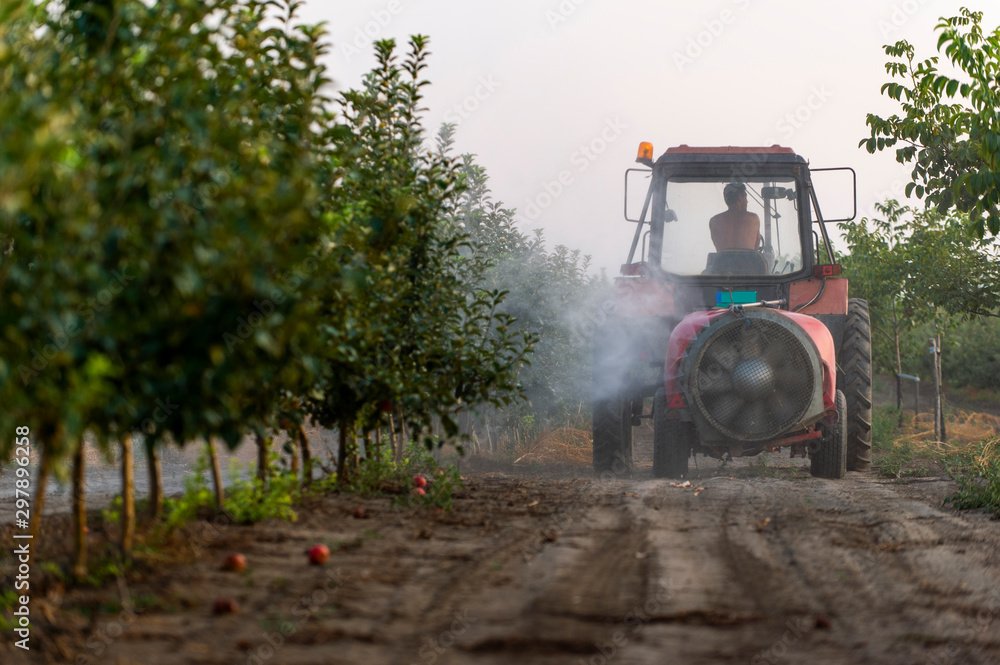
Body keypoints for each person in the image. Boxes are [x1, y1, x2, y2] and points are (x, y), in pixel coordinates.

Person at [709, 182, 761, 251]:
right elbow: (756, 248)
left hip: (723, 261)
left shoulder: (714, 221)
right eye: (745, 197)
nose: (747, 201)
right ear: (740, 197)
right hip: (746, 261)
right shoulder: (753, 218)